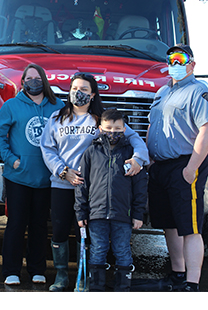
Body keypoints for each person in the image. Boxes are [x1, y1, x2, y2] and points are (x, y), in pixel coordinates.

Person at [40, 72, 149, 291]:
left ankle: (84, 279)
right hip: (62, 184)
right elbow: (47, 148)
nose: (77, 93)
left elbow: (135, 139)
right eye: (74, 88)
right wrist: (63, 171)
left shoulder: (102, 120)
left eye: (84, 90)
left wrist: (138, 159)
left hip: (93, 188)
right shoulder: (56, 118)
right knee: (60, 231)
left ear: (93, 95)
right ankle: (61, 277)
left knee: (87, 232)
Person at [147, 44, 208, 292]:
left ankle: (192, 282)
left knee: (190, 227)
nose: (174, 64)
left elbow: (207, 129)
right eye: (171, 59)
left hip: (185, 165)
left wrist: (191, 168)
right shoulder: (163, 92)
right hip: (161, 168)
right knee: (170, 224)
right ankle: (177, 274)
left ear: (192, 64)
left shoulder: (199, 92)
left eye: (180, 59)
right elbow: (153, 127)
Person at [0, 64, 64, 286]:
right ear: (22, 82)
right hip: (18, 178)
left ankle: (37, 269)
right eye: (29, 78)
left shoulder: (57, 106)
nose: (34, 81)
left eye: (37, 77)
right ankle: (11, 270)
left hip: (46, 178)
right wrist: (10, 159)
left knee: (40, 225)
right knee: (16, 224)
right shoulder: (12, 106)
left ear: (44, 80)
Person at [75, 109, 148, 291]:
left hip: (122, 214)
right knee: (98, 249)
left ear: (124, 129)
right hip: (97, 214)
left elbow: (140, 188)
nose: (112, 133)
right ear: (100, 128)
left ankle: (123, 288)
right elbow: (82, 184)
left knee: (122, 250)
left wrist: (138, 214)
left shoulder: (132, 155)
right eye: (108, 128)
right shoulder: (91, 152)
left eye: (117, 129)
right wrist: (80, 212)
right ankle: (96, 287)